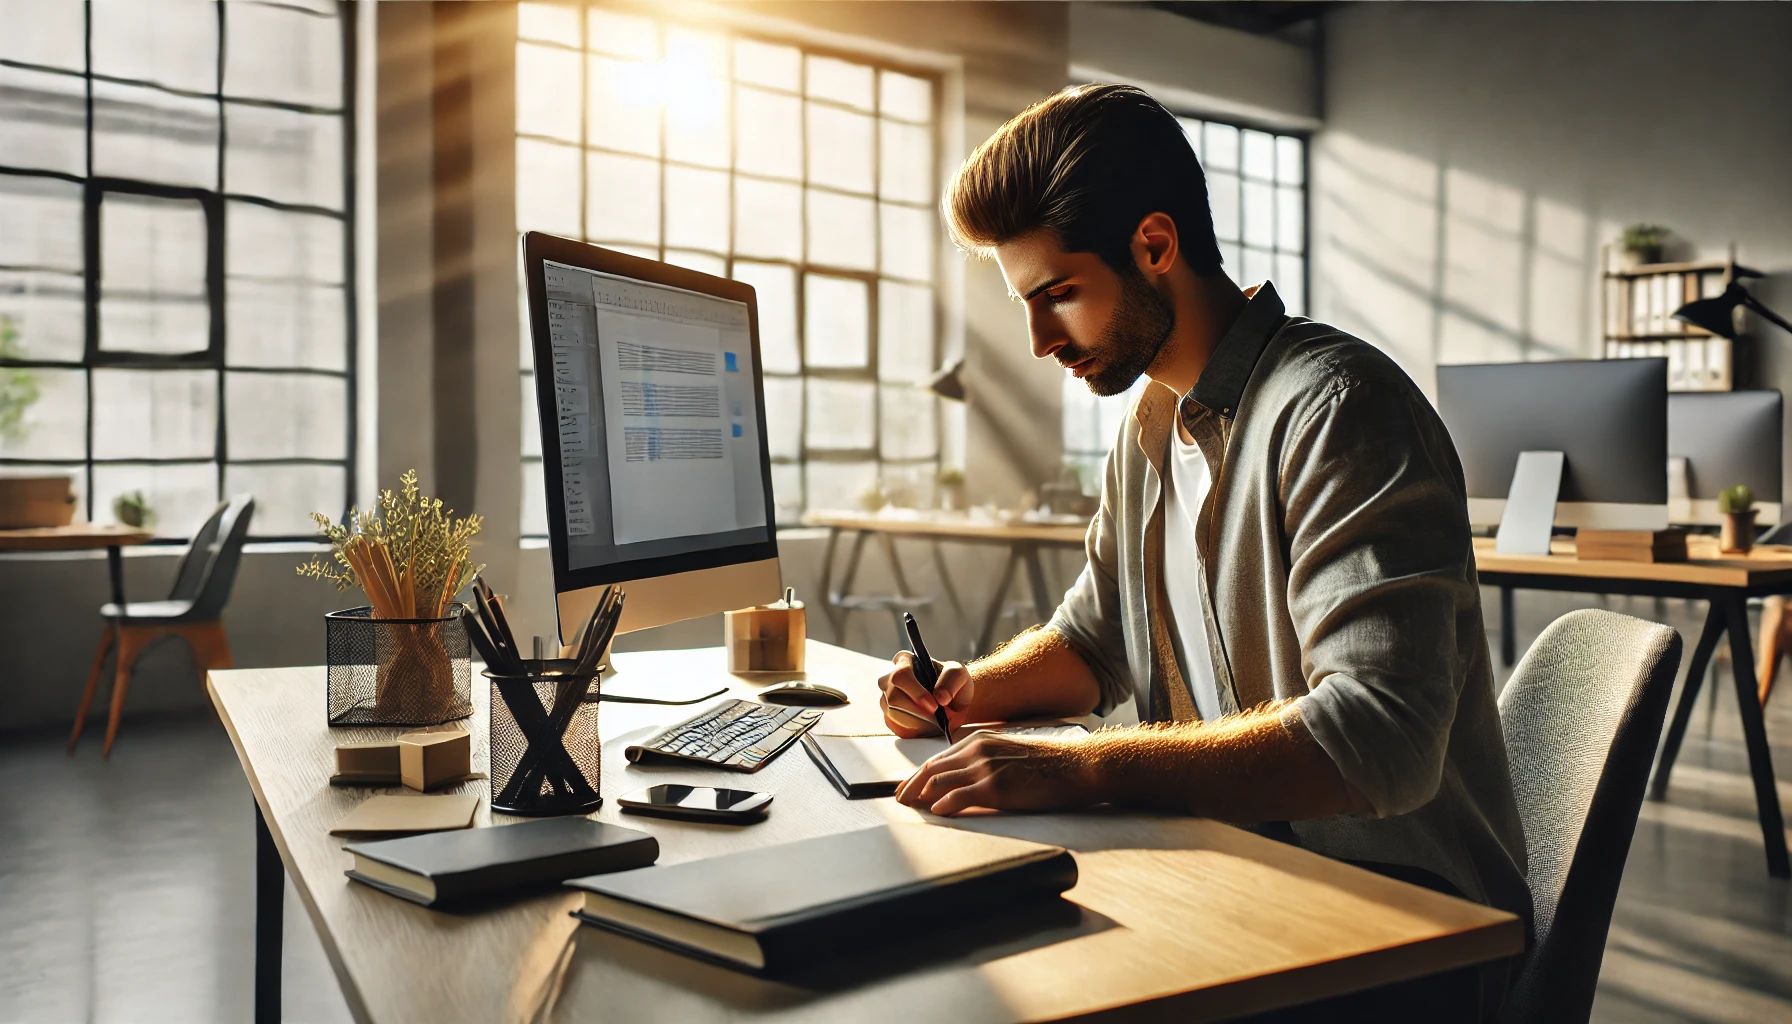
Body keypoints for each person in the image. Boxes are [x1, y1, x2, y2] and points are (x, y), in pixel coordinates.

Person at [877, 84, 1529, 1020]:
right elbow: (1093, 645)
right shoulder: (1149, 425)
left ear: (1154, 246)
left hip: (1403, 938)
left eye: (1058, 295)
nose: (1037, 342)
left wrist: (1086, 768)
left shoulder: (1339, 409)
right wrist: (972, 689)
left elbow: (1380, 738)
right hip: (1244, 873)